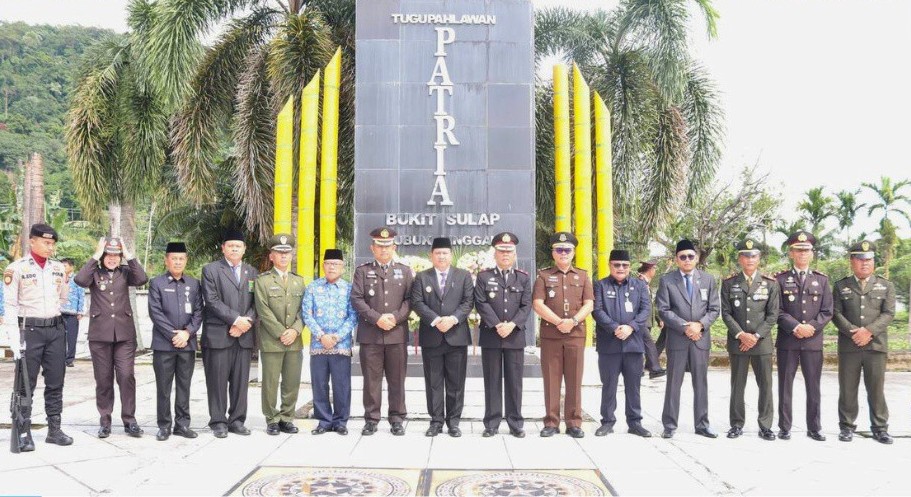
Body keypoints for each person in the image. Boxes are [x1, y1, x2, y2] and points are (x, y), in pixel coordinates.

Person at [2, 223, 74, 450]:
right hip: (29, 331)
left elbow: (62, 299)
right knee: (25, 383)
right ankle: (24, 431)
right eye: (45, 243)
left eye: (52, 243)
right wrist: (14, 340)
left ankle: (54, 429)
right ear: (31, 241)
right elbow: (10, 307)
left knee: (56, 381)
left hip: (54, 330)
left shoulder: (58, 268)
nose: (50, 247)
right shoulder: (17, 269)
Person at [74, 236, 149, 439]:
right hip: (100, 336)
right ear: (103, 255)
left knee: (126, 376)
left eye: (116, 255)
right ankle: (105, 421)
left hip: (124, 335)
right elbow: (79, 280)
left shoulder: (126, 272)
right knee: (103, 379)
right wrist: (95, 255)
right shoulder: (94, 273)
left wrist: (129, 255)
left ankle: (130, 421)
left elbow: (142, 279)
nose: (112, 259)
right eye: (109, 254)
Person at [350, 227, 414, 436]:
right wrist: (377, 318)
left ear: (394, 247)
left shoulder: (404, 271)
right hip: (371, 335)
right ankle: (371, 419)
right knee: (371, 380)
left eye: (387, 246)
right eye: (379, 246)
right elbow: (356, 299)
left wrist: (394, 318)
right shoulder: (362, 271)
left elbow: (409, 300)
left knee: (397, 379)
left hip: (396, 334)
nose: (383, 249)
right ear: (372, 248)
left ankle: (396, 418)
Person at [410, 236, 474, 437]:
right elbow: (417, 302)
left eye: (445, 253)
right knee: (434, 381)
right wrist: (437, 320)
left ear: (451, 255)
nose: (441, 256)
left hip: (456, 336)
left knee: (456, 382)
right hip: (432, 336)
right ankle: (436, 421)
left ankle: (453, 422)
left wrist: (453, 319)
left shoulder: (463, 276)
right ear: (431, 255)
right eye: (437, 253)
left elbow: (468, 302)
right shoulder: (422, 277)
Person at [532, 232, 594, 438]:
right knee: (551, 379)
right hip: (551, 334)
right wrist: (559, 322)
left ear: (573, 252)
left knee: (575, 379)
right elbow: (537, 304)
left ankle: (574, 422)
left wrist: (573, 321)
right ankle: (551, 422)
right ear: (553, 253)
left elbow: (589, 303)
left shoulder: (583, 276)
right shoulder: (543, 275)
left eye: (567, 250)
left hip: (575, 334)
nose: (563, 253)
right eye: (559, 250)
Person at [656, 239, 720, 439]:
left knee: (701, 383)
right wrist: (686, 327)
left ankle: (702, 424)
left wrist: (699, 325)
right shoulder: (667, 281)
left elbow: (714, 309)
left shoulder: (708, 280)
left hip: (700, 339)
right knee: (674, 383)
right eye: (682, 257)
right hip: (678, 339)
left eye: (690, 256)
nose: (687, 260)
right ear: (676, 260)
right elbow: (664, 310)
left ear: (697, 258)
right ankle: (669, 424)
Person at [833, 240, 895, 444]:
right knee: (848, 388)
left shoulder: (886, 285)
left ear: (873, 262)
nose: (864, 263)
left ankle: (880, 428)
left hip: (875, 346)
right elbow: (835, 313)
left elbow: (888, 313)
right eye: (860, 259)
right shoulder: (841, 285)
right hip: (850, 346)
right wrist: (854, 332)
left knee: (876, 388)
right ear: (852, 261)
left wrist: (868, 331)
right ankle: (847, 427)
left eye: (868, 260)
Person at [775, 230, 832, 442]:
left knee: (813, 386)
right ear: (791, 253)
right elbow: (777, 311)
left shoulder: (822, 280)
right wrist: (796, 327)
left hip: (812, 341)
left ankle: (814, 427)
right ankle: (784, 426)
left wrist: (811, 328)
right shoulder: (780, 279)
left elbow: (827, 311)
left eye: (806, 250)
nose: (802, 254)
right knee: (785, 385)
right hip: (788, 341)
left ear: (812, 253)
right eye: (798, 250)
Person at [720, 238, 780, 441]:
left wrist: (754, 336)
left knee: (766, 386)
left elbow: (773, 315)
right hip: (738, 343)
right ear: (739, 259)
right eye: (746, 256)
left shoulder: (770, 283)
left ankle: (765, 425)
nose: (749, 259)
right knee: (737, 385)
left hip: (761, 343)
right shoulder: (729, 283)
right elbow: (726, 313)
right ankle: (736, 424)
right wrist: (741, 335)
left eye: (753, 255)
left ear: (759, 258)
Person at [474, 232, 532, 438]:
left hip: (515, 336)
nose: (505, 254)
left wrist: (512, 324)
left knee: (515, 382)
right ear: (495, 253)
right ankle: (491, 423)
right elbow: (481, 303)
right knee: (492, 380)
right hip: (491, 335)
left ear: (515, 254)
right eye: (501, 251)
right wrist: (498, 324)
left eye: (509, 251)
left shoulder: (523, 278)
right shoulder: (483, 277)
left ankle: (515, 423)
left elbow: (526, 305)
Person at [201, 229, 258, 438]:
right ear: (223, 248)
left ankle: (237, 420)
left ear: (244, 249)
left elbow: (257, 302)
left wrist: (246, 322)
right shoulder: (211, 270)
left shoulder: (252, 272)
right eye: (230, 245)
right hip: (219, 336)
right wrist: (236, 320)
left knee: (240, 382)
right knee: (216, 381)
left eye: (239, 246)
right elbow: (212, 300)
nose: (235, 248)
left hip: (243, 336)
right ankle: (218, 421)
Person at [592, 249, 653, 438]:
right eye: (617, 265)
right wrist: (614, 327)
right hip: (609, 344)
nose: (621, 268)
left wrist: (631, 327)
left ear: (629, 267)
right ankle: (607, 421)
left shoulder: (639, 285)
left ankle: (635, 422)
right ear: (610, 265)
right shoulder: (600, 285)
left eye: (625, 265)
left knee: (633, 386)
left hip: (633, 344)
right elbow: (597, 310)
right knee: (609, 385)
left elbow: (645, 309)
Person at [147, 242, 203, 441]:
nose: (178, 262)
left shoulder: (194, 284)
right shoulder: (157, 283)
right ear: (166, 260)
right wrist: (174, 335)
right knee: (164, 387)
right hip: (164, 345)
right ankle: (164, 425)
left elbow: (198, 312)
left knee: (184, 386)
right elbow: (156, 313)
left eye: (181, 259)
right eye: (174, 258)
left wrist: (187, 333)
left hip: (187, 345)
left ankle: (182, 424)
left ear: (186, 260)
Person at [302, 248, 358, 435]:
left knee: (341, 385)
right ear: (324, 266)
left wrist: (336, 337)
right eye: (329, 264)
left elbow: (353, 316)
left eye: (336, 264)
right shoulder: (312, 287)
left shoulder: (349, 289)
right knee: (319, 384)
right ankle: (324, 421)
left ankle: (341, 421)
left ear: (342, 267)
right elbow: (306, 315)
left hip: (340, 346)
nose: (332, 267)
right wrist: (321, 336)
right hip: (319, 346)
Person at [254, 234, 305, 436]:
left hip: (294, 341)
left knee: (292, 382)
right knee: (270, 382)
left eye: (287, 253)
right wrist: (281, 332)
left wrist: (295, 330)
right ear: (271, 256)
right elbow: (263, 310)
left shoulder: (298, 281)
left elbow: (304, 309)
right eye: (279, 253)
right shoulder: (263, 281)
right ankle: (272, 419)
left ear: (291, 255)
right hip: (272, 341)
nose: (283, 256)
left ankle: (287, 418)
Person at [637, 259, 666, 379]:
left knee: (641, 345)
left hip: (646, 321)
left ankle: (640, 369)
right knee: (648, 344)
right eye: (654, 268)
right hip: (641, 321)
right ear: (650, 270)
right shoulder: (639, 283)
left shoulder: (645, 283)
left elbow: (650, 305)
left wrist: (658, 319)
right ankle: (654, 369)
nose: (655, 271)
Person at [59, 258, 85, 368]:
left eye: (65, 265)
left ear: (71, 267)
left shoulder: (77, 279)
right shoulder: (58, 278)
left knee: (71, 337)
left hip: (72, 312)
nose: (63, 268)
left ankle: (69, 359)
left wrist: (80, 311)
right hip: (59, 312)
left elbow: (81, 295)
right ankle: (59, 358)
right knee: (59, 337)